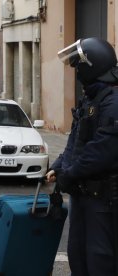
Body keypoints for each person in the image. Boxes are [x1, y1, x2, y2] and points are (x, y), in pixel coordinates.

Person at [46, 37, 118, 275]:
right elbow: (75, 140)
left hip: (103, 200)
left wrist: (70, 173)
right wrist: (58, 167)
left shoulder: (113, 103)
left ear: (92, 67)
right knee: (78, 258)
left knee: (100, 261)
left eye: (79, 65)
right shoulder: (90, 99)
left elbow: (102, 150)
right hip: (82, 196)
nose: (76, 71)